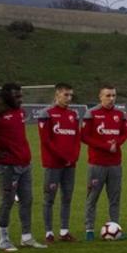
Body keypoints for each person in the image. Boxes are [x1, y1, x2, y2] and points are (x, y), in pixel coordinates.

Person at [0, 83, 46, 251]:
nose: (20, 99)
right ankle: (4, 238)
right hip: (7, 167)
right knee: (7, 201)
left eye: (21, 96)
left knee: (27, 200)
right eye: (17, 96)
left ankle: (26, 236)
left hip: (24, 164)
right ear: (7, 96)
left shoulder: (21, 112)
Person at [81, 85, 127, 241]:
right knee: (92, 197)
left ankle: (115, 228)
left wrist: (118, 143)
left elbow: (124, 133)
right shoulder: (92, 113)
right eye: (108, 95)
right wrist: (107, 146)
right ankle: (89, 229)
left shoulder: (120, 114)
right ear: (100, 96)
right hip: (97, 164)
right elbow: (85, 137)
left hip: (115, 164)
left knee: (114, 198)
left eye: (114, 95)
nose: (111, 98)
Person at [38, 83, 82, 243]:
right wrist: (63, 156)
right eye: (66, 95)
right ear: (57, 95)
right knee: (49, 198)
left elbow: (77, 138)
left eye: (71, 95)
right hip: (53, 164)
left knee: (67, 198)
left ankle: (64, 231)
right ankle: (49, 232)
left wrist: (75, 156)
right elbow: (46, 141)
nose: (69, 98)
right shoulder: (46, 114)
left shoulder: (73, 114)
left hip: (70, 164)